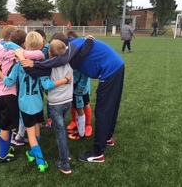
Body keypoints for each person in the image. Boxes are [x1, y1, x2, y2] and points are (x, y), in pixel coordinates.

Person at [18, 32, 124, 163]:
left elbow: (60, 60)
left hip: (110, 70)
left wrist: (32, 63)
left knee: (103, 110)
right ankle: (107, 137)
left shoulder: (72, 47)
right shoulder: (74, 49)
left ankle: (98, 153)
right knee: (110, 108)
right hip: (114, 67)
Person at [0, 32, 72, 172]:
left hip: (26, 105)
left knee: (30, 133)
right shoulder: (42, 64)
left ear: (25, 44)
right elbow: (47, 85)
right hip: (38, 103)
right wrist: (65, 81)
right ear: (41, 46)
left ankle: (40, 160)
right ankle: (32, 152)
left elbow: (9, 81)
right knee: (36, 127)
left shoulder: (19, 65)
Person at [65, 31, 93, 139]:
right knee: (74, 104)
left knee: (85, 104)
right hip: (72, 85)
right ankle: (74, 121)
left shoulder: (82, 55)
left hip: (82, 86)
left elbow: (85, 74)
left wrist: (80, 87)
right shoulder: (68, 54)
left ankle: (88, 125)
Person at [34, 29, 52, 128]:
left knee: (50, 97)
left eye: (44, 40)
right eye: (41, 41)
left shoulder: (47, 49)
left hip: (47, 77)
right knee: (38, 98)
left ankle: (50, 118)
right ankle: (39, 119)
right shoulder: (30, 52)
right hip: (36, 79)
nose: (43, 43)